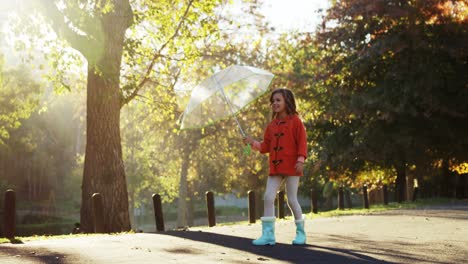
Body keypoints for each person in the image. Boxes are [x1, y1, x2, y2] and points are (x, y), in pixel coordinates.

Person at [243, 88, 308, 246]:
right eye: (273, 101)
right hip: (276, 167)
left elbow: (302, 142)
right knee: (268, 197)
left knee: (292, 200)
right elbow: (265, 147)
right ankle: (268, 235)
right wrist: (252, 143)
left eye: (278, 100)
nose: (275, 103)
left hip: (293, 165)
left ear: (287, 101)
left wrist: (300, 159)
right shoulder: (271, 126)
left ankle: (301, 233)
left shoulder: (296, 121)